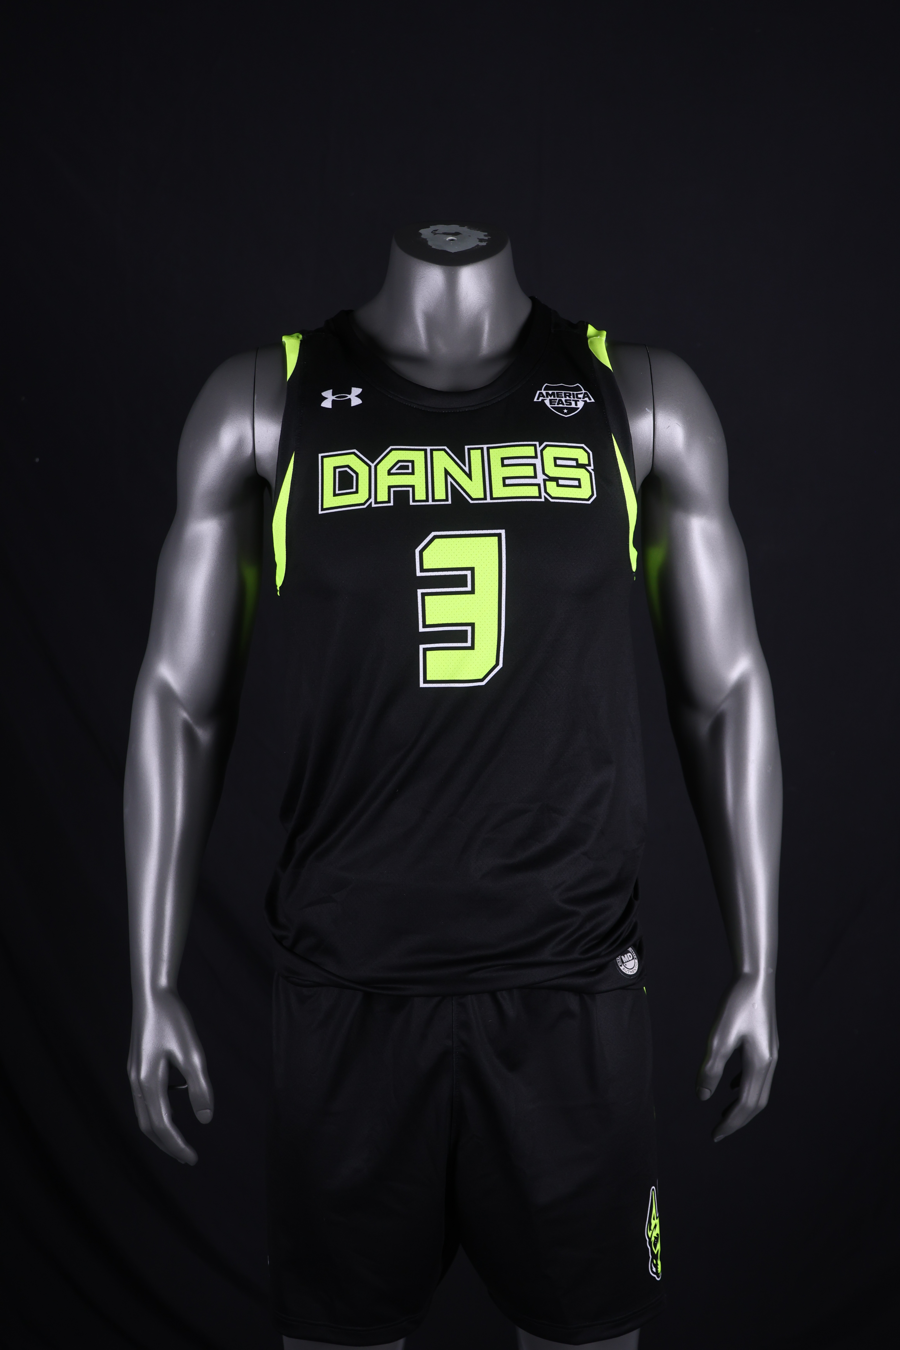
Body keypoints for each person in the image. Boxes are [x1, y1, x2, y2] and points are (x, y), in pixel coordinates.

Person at [125, 222, 781, 1349]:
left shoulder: (638, 399)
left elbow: (725, 692)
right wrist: (150, 979)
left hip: (570, 995)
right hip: (349, 996)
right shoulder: (264, 403)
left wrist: (760, 964)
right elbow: (181, 702)